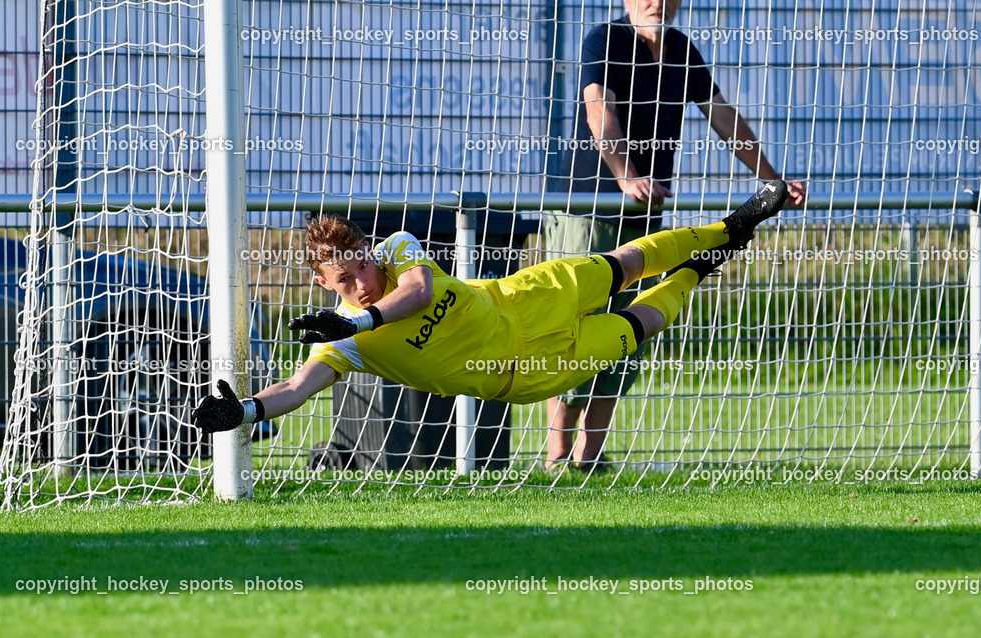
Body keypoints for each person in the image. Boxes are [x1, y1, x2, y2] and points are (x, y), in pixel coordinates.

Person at [192, 181, 789, 447]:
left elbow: (421, 293)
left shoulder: (399, 250)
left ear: (370, 253)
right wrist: (243, 409)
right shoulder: (344, 341)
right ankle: (700, 268)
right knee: (642, 323)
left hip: (523, 296)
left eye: (363, 269)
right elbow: (298, 386)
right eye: (343, 281)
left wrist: (360, 320)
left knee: (625, 259)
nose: (361, 284)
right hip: (525, 371)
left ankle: (733, 224)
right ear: (322, 282)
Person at [543, 0, 807, 470]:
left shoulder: (683, 50)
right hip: (589, 211)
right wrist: (625, 175)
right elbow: (596, 106)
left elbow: (722, 115)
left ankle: (590, 458)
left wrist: (772, 180)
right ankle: (556, 455)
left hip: (645, 217)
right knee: (574, 326)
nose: (656, 3)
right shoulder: (606, 39)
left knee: (627, 330)